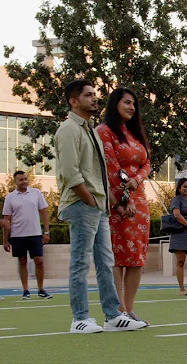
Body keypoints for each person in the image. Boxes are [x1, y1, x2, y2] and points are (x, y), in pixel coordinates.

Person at [55, 79, 147, 333]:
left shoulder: (90, 129)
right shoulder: (69, 130)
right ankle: (80, 318)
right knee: (80, 262)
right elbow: (71, 174)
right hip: (83, 204)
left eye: (95, 95)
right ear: (74, 101)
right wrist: (90, 199)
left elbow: (100, 171)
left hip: (98, 205)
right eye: (88, 95)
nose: (94, 99)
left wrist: (103, 203)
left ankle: (113, 315)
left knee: (106, 261)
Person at [97, 87, 152, 324]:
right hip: (116, 202)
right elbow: (109, 167)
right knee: (118, 257)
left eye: (133, 104)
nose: (131, 107)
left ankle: (129, 309)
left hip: (139, 201)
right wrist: (120, 202)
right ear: (115, 104)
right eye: (126, 103)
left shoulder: (134, 133)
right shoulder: (104, 131)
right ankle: (117, 310)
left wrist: (137, 180)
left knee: (136, 257)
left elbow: (146, 164)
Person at [3, 170, 53, 300]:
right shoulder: (10, 197)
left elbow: (44, 212)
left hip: (35, 234)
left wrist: (46, 231)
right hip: (18, 235)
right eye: (21, 179)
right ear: (15, 182)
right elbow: (6, 220)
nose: (24, 181)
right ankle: (25, 290)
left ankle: (41, 289)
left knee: (39, 262)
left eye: (25, 179)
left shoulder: (36, 193)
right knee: (22, 261)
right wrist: (5, 240)